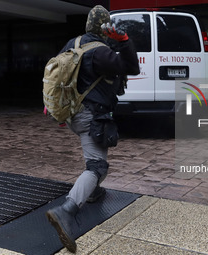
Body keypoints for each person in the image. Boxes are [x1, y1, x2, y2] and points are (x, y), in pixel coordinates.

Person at [46, 5, 140, 253]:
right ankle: (67, 211)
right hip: (91, 118)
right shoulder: (100, 52)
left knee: (94, 159)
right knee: (97, 166)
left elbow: (57, 76)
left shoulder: (72, 43)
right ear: (105, 28)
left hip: (72, 115)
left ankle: (94, 191)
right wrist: (125, 41)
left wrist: (52, 106)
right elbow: (131, 67)